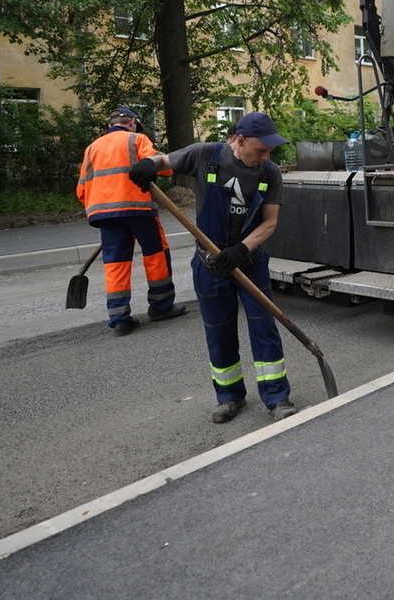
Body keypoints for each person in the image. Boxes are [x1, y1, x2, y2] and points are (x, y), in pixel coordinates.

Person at [128, 111, 297, 424]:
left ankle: (277, 397)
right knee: (218, 333)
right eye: (261, 149)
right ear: (240, 139)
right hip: (209, 265)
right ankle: (229, 396)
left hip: (249, 262)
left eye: (270, 151)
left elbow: (270, 222)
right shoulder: (205, 154)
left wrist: (241, 249)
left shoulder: (269, 172)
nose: (266, 156)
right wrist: (148, 165)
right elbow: (164, 161)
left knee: (264, 329)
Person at [76, 108, 186, 336]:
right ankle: (161, 306)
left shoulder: (91, 148)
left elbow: (81, 188)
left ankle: (119, 318)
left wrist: (100, 209)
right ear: (133, 122)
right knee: (156, 254)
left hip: (104, 213)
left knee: (115, 263)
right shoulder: (137, 139)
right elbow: (162, 167)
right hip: (138, 209)